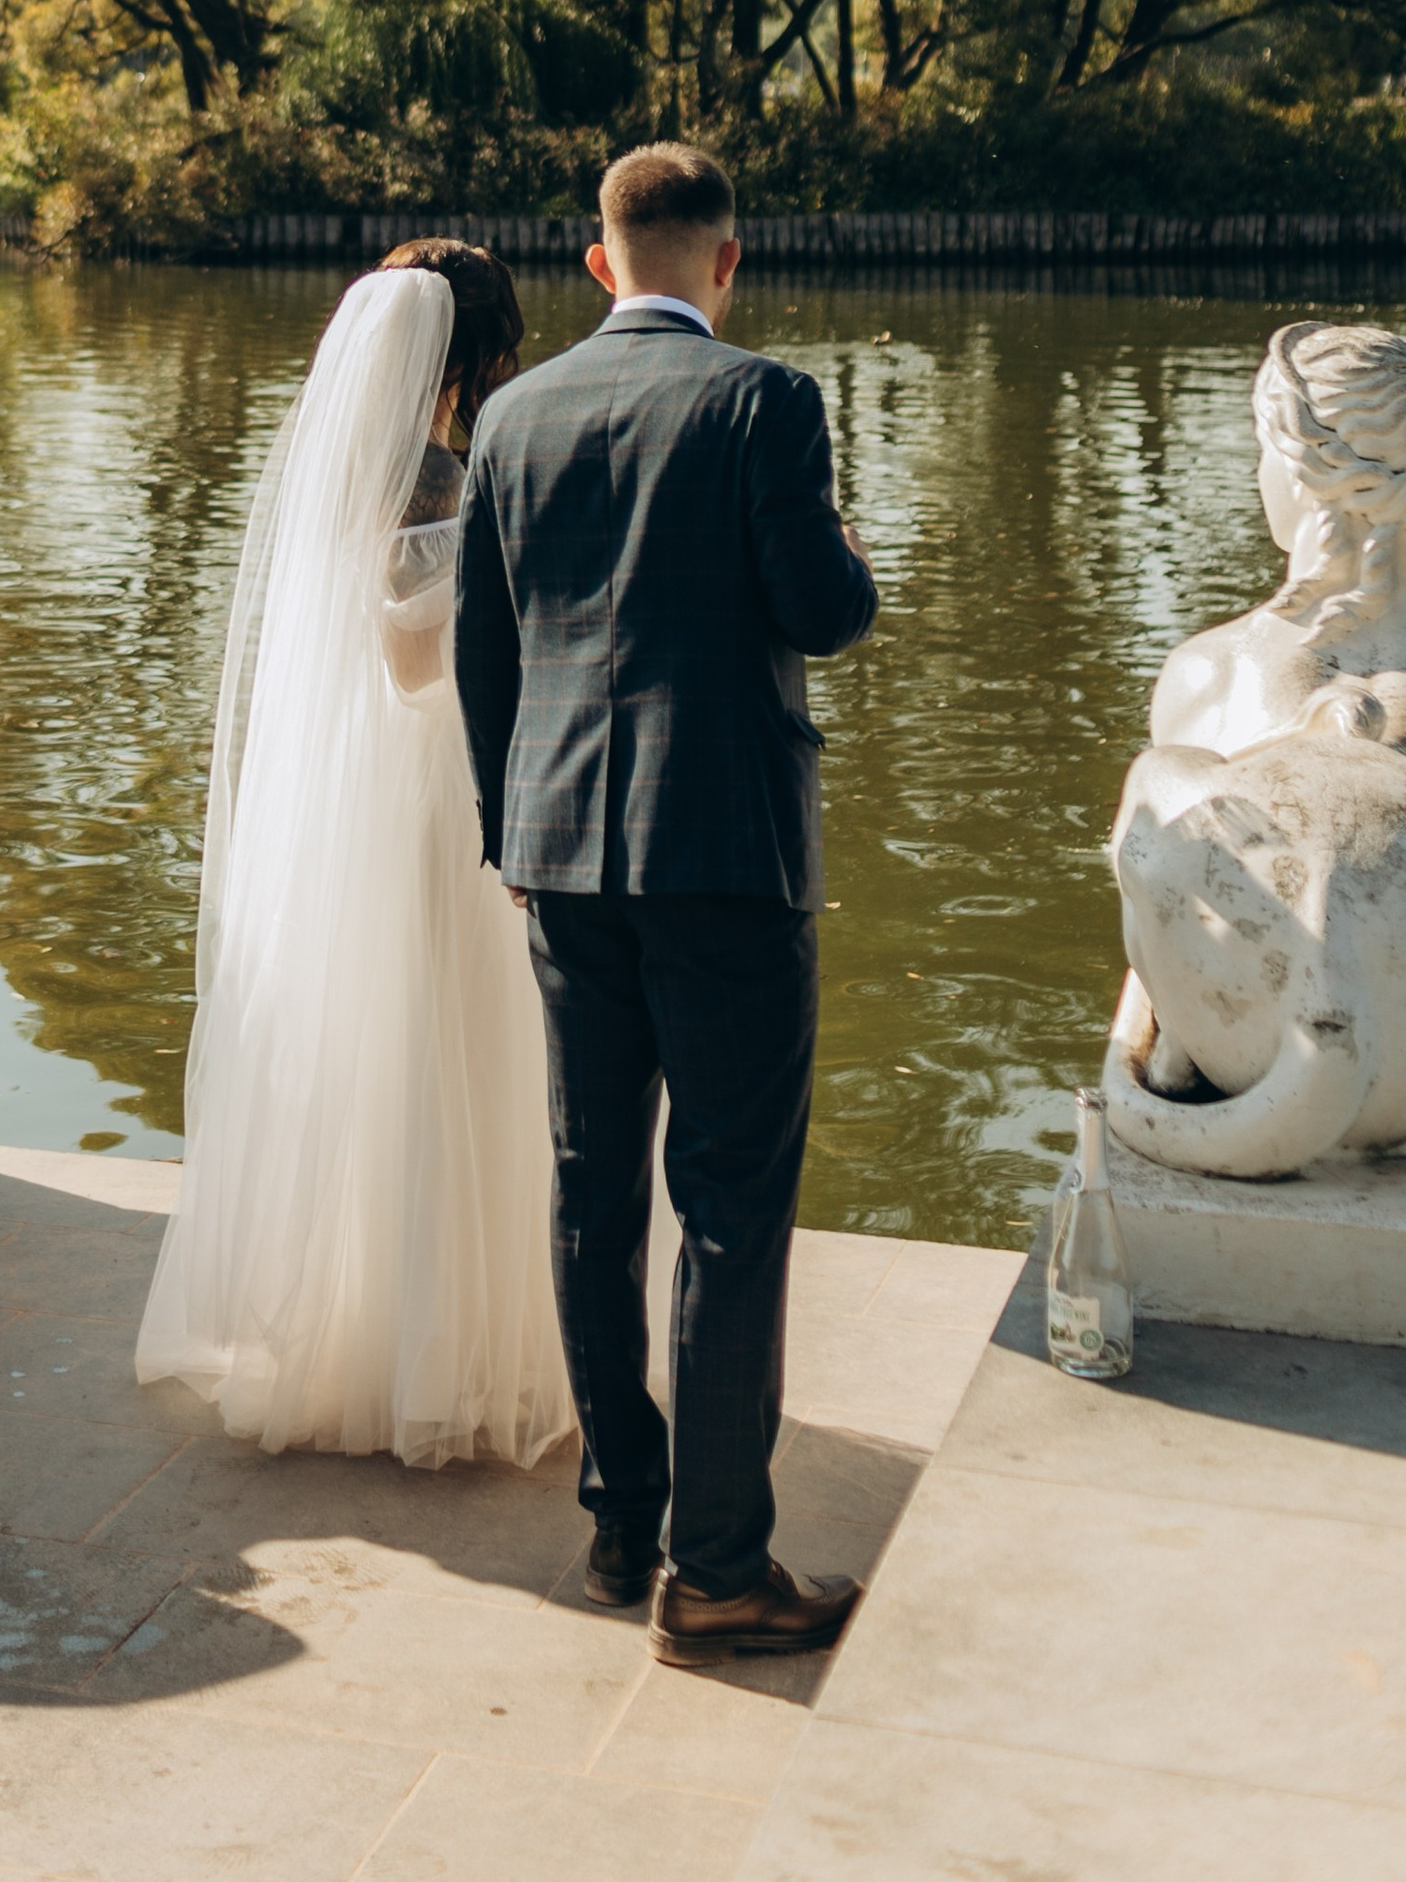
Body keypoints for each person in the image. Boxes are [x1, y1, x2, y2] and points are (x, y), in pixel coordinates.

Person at [456, 142, 879, 1667]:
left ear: (600, 262)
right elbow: (820, 610)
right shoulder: (766, 402)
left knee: (593, 1194)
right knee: (729, 1203)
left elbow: (484, 652)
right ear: (728, 260)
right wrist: (849, 556)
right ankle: (717, 1570)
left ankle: (622, 1524)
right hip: (728, 856)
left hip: (562, 852)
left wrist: (511, 829)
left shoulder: (513, 415)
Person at [136, 242, 572, 1468]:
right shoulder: (434, 478)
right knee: (445, 1052)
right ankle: (435, 1356)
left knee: (380, 1052)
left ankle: (366, 1334)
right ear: (476, 360)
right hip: (432, 791)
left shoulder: (351, 470)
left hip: (362, 788)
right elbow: (413, 663)